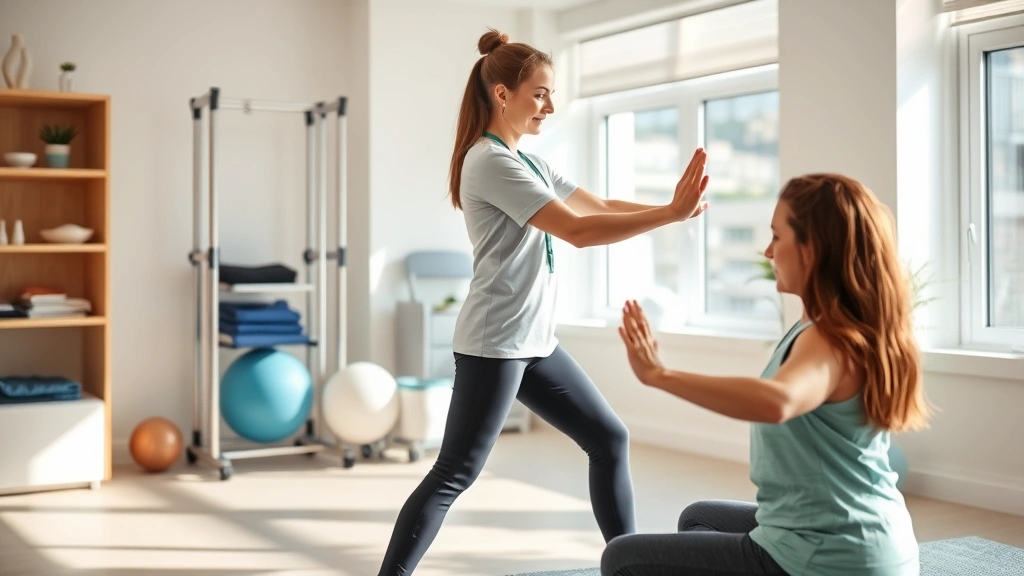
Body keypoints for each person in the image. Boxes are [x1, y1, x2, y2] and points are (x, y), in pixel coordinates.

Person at [376, 28, 710, 575]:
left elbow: (596, 204)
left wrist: (673, 206)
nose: (550, 106)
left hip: (533, 341)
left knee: (608, 437)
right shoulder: (488, 162)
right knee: (455, 471)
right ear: (502, 94)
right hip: (495, 344)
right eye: (539, 93)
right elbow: (578, 231)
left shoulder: (525, 160)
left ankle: (626, 566)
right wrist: (668, 216)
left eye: (551, 94)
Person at [607, 173, 931, 576]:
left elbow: (778, 401)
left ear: (811, 250)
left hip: (832, 559)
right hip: (867, 541)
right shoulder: (833, 324)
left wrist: (659, 374)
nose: (767, 251)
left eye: (777, 238)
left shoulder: (831, 340)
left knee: (622, 559)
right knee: (699, 519)